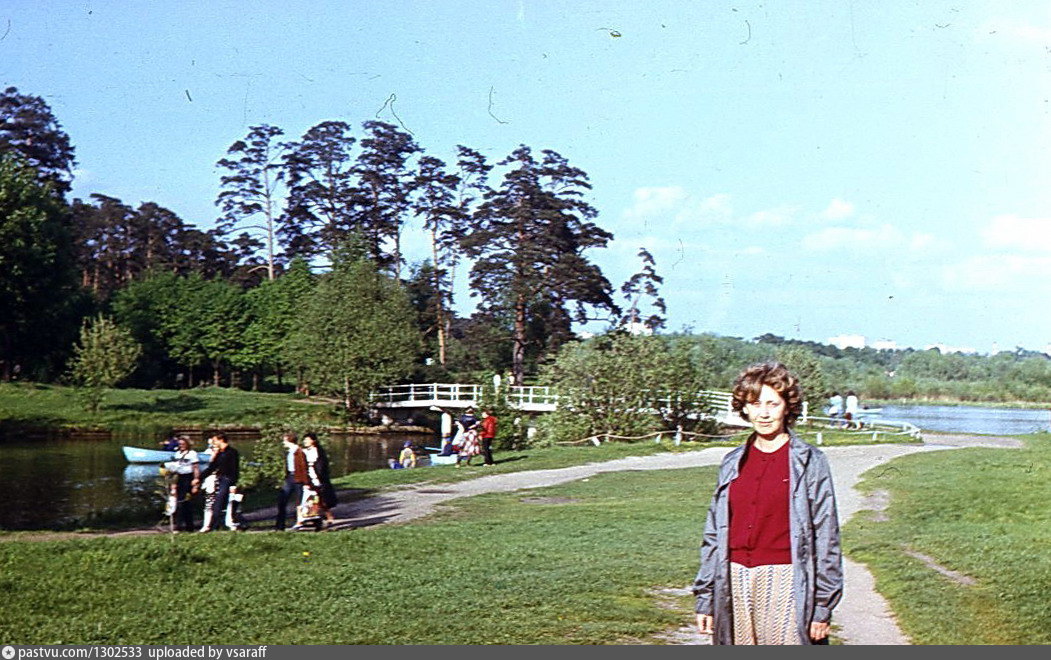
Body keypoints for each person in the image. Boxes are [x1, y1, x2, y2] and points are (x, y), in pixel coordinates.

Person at [692, 361, 843, 645]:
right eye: (755, 404)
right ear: (744, 408)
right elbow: (713, 536)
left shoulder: (810, 461)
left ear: (787, 407)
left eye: (772, 404)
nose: (763, 413)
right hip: (733, 579)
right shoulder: (732, 462)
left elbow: (827, 537)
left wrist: (823, 605)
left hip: (786, 580)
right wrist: (706, 597)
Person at [193, 432, 240, 532]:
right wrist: (199, 478)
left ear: (221, 440)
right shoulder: (219, 453)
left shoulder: (232, 452)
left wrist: (233, 483)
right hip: (220, 478)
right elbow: (212, 468)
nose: (213, 443)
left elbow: (234, 469)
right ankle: (214, 525)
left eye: (215, 441)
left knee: (221, 500)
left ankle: (215, 525)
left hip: (228, 479)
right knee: (216, 502)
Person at [302, 432, 337, 528]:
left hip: (317, 478)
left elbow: (321, 467)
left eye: (307, 440)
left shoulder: (318, 452)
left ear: (313, 441)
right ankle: (315, 518)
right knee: (313, 499)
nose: (305, 441)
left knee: (319, 498)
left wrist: (318, 476)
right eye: (304, 440)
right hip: (308, 477)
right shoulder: (304, 451)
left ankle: (324, 518)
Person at [275, 432, 309, 530]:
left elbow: (303, 468)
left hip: (298, 478)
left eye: (284, 441)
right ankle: (280, 525)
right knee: (282, 499)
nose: (283, 443)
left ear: (289, 441)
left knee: (299, 501)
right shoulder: (290, 452)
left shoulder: (299, 452)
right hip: (290, 477)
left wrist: (306, 482)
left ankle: (300, 522)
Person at [168, 435, 200, 532]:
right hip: (180, 478)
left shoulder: (192, 454)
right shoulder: (177, 454)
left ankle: (187, 526)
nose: (181, 446)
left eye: (183, 444)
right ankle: (180, 525)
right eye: (179, 444)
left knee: (186, 502)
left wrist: (196, 481)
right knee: (179, 502)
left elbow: (195, 468)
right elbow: (175, 469)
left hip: (188, 478)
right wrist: (173, 483)